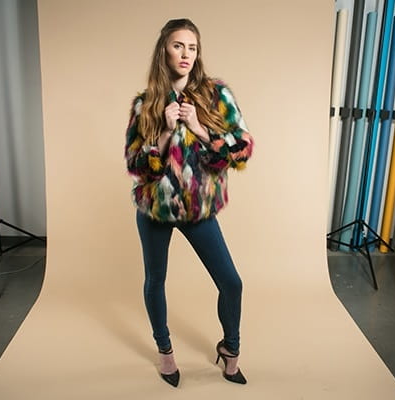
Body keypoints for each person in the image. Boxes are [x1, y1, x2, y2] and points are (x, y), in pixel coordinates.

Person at [124, 18, 254, 388]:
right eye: (178, 45)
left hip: (199, 209)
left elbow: (241, 150)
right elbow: (136, 165)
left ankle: (230, 349)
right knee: (155, 280)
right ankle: (165, 352)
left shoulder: (217, 95)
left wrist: (200, 129)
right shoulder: (145, 104)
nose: (186, 54)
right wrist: (165, 133)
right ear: (164, 51)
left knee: (231, 282)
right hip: (155, 209)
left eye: (192, 47)